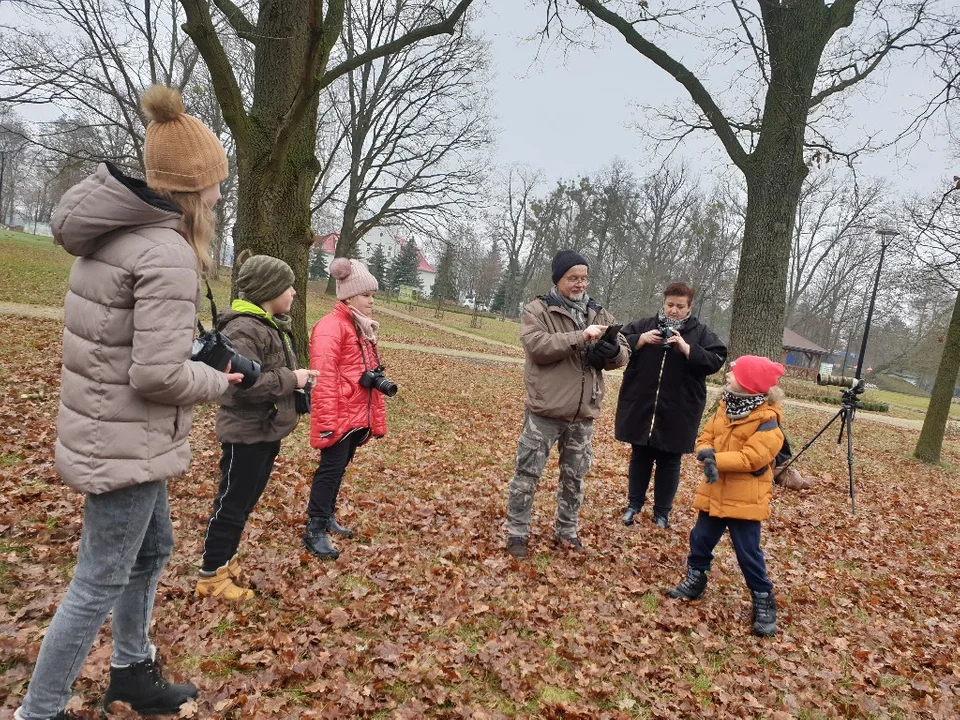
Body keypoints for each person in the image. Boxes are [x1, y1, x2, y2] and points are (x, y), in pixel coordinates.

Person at [15, 86, 242, 720]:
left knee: (151, 550)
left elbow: (120, 349)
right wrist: (219, 383)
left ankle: (132, 672)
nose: (220, 196)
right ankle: (41, 709)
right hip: (126, 437)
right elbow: (156, 376)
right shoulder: (166, 251)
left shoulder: (112, 236)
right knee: (96, 582)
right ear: (191, 189)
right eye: (215, 185)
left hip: (110, 430)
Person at [195, 252, 318, 600]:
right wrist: (291, 378)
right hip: (245, 433)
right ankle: (211, 576)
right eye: (287, 286)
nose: (294, 292)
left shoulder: (267, 324)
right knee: (231, 503)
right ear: (269, 289)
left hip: (265, 430)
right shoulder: (243, 328)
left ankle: (226, 559)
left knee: (244, 501)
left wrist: (299, 381)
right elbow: (240, 384)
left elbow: (267, 376)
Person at [504, 250, 630, 559]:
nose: (579, 284)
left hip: (583, 414)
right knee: (527, 474)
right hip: (545, 410)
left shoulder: (599, 313)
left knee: (575, 478)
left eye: (584, 278)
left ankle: (567, 531)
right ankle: (517, 533)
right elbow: (537, 346)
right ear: (558, 279)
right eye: (572, 278)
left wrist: (611, 350)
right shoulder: (537, 310)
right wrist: (580, 337)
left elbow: (625, 352)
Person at [666, 355, 785, 637]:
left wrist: (716, 458)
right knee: (700, 539)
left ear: (750, 383)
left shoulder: (768, 423)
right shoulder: (724, 407)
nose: (728, 376)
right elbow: (705, 436)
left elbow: (751, 459)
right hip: (715, 490)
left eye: (734, 373)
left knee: (748, 552)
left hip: (745, 500)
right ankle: (695, 581)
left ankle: (763, 598)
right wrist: (704, 450)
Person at [615, 283, 726, 529]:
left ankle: (662, 512)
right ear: (663, 302)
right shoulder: (644, 325)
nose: (674, 310)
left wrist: (688, 349)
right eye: (670, 305)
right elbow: (617, 343)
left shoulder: (701, 333)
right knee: (640, 456)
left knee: (669, 461)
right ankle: (634, 504)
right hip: (642, 405)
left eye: (680, 306)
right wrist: (639, 340)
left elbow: (717, 359)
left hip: (679, 410)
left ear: (690, 307)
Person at [303, 258, 391, 560]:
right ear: (349, 296)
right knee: (329, 470)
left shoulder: (359, 327)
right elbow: (323, 380)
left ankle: (326, 515)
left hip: (355, 414)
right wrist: (327, 423)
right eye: (367, 295)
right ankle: (314, 528)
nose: (371, 302)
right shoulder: (331, 327)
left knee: (339, 469)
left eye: (373, 296)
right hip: (339, 416)